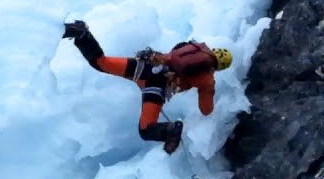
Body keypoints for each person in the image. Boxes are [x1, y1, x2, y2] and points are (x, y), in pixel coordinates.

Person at [62, 20, 233, 154]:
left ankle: (82, 34)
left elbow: (173, 53)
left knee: (102, 63)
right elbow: (206, 110)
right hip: (157, 84)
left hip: (148, 65)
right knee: (146, 129)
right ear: (219, 67)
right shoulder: (208, 79)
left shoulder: (194, 47)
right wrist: (207, 90)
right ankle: (171, 130)